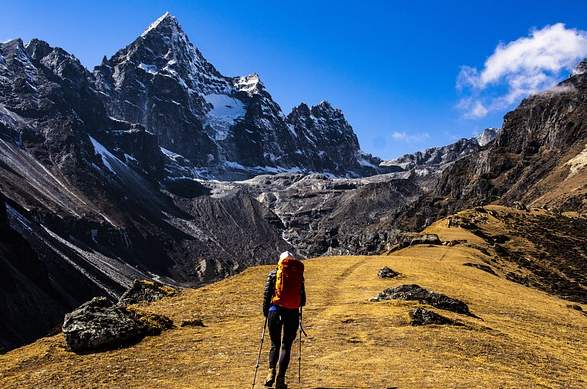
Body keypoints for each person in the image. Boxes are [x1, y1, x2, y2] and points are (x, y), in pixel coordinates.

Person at [262, 251, 306, 389]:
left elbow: (266, 296)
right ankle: (280, 379)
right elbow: (303, 301)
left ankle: (270, 373)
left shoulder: (274, 274)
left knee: (275, 344)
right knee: (286, 346)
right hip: (292, 313)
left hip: (274, 311)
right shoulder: (299, 275)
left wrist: (266, 313)